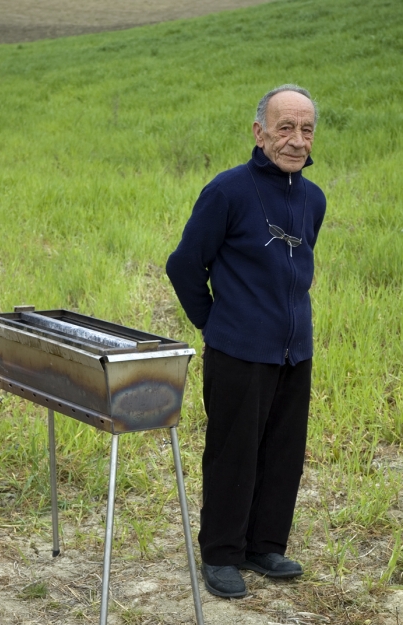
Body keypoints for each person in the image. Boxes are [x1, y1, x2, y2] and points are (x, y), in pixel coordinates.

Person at [166, 85, 326, 598]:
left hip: (293, 349)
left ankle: (264, 546)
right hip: (237, 349)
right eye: (285, 127)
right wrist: (214, 323)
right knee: (233, 452)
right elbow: (185, 264)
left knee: (284, 450)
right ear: (259, 133)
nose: (296, 140)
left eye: (305, 129)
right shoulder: (228, 191)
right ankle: (221, 554)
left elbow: (295, 268)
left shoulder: (313, 198)